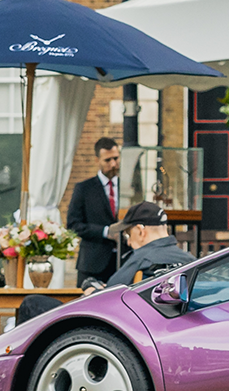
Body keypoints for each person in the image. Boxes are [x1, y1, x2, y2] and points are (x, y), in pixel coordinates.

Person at [17, 201, 193, 323]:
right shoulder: (191, 262)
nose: (129, 242)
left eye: (127, 235)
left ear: (140, 231)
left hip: (106, 330)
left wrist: (92, 288)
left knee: (31, 303)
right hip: (160, 330)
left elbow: (105, 300)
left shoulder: (142, 259)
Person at [67, 137, 122, 286]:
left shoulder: (129, 187)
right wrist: (106, 232)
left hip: (124, 263)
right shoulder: (83, 189)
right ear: (97, 160)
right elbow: (73, 224)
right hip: (92, 264)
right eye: (107, 160)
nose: (113, 164)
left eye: (116, 158)